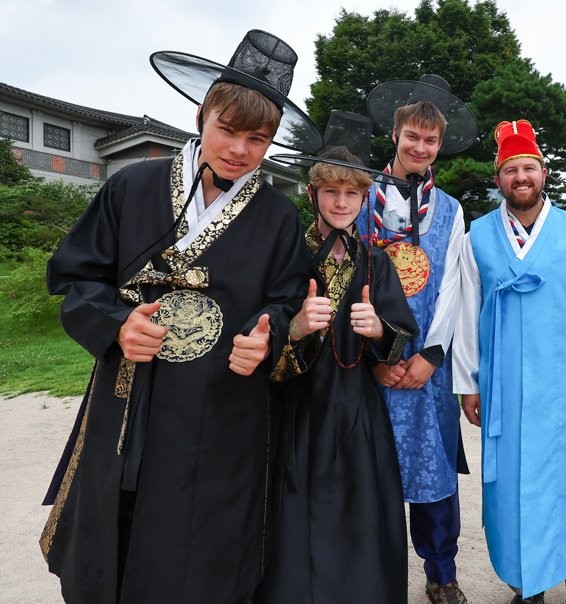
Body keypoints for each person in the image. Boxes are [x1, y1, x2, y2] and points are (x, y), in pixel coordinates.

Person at [40, 30, 322, 603]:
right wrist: (115, 325)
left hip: (222, 406)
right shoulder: (131, 188)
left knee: (203, 540)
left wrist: (266, 337)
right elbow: (75, 278)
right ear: (201, 116)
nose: (239, 150)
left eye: (257, 139)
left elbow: (286, 301)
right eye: (227, 129)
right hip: (129, 393)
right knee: (114, 522)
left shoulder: (278, 218)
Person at [454, 119, 566, 604]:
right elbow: (468, 315)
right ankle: (526, 584)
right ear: (498, 180)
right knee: (512, 492)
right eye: (511, 170)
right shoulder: (478, 236)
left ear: (543, 173)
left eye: (529, 167)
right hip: (504, 386)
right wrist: (470, 383)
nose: (520, 177)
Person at [254, 111, 418, 603]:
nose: (342, 202)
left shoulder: (377, 260)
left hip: (358, 409)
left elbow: (402, 334)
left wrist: (379, 331)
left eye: (352, 193)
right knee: (297, 511)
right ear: (313, 195)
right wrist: (298, 327)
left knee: (361, 509)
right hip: (299, 407)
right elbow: (264, 324)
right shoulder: (287, 254)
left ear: (364, 197)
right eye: (331, 192)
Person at [361, 74, 478, 604]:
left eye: (430, 140)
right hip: (370, 358)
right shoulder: (360, 195)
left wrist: (431, 355)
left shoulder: (451, 210)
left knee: (433, 470)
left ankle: (441, 571)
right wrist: (374, 358)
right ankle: (373, 574)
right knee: (371, 470)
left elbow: (455, 284)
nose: (420, 147)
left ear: (439, 145)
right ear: (396, 134)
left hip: (430, 363)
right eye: (413, 136)